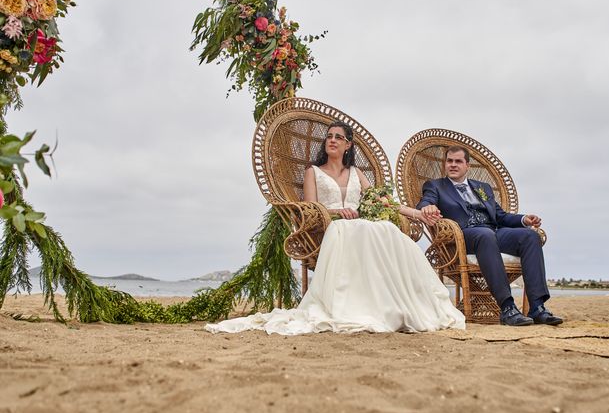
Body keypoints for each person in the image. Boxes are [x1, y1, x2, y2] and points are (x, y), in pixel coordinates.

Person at [205, 121, 465, 335]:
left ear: (347, 144)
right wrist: (336, 212)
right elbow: (309, 208)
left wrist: (417, 213)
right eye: (329, 136)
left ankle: (395, 303)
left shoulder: (356, 173)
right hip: (333, 227)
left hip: (362, 224)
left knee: (387, 230)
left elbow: (384, 202)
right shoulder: (313, 172)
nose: (332, 140)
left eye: (338, 137)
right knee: (361, 229)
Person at [416, 145, 563, 326]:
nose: (453, 165)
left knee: (530, 237)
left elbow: (500, 216)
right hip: (462, 237)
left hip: (492, 233)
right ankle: (507, 307)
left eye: (458, 161)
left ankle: (537, 308)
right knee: (485, 235)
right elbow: (426, 201)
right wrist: (427, 207)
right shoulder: (436, 186)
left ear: (467, 166)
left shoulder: (482, 187)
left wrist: (524, 219)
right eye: (449, 161)